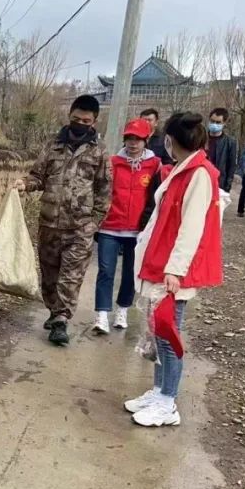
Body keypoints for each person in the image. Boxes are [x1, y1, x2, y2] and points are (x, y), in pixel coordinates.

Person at [127, 112, 223, 427]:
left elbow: (192, 227)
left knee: (168, 335)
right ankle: (158, 390)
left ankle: (168, 401)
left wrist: (176, 269)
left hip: (173, 270)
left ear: (171, 140)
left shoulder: (199, 174)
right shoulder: (182, 170)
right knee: (157, 333)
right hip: (161, 263)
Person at [16, 94, 111, 346]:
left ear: (94, 121)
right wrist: (25, 184)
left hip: (80, 227)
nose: (80, 123)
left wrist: (94, 224)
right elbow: (38, 176)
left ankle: (61, 319)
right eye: (76, 119)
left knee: (70, 276)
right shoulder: (53, 145)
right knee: (49, 275)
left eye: (86, 120)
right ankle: (53, 310)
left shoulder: (99, 152)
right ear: (69, 116)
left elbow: (104, 190)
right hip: (49, 224)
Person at [93, 118, 161, 334]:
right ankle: (102, 315)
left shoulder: (155, 165)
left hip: (137, 230)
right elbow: (100, 190)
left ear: (146, 140)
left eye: (138, 139)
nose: (133, 143)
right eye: (129, 139)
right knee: (106, 270)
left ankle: (122, 310)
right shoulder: (112, 162)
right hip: (110, 227)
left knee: (131, 273)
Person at [205, 108, 238, 198]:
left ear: (224, 123)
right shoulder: (201, 139)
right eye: (212, 121)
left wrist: (227, 186)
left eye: (218, 122)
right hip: (202, 180)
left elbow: (231, 165)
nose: (214, 124)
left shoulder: (230, 142)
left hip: (219, 183)